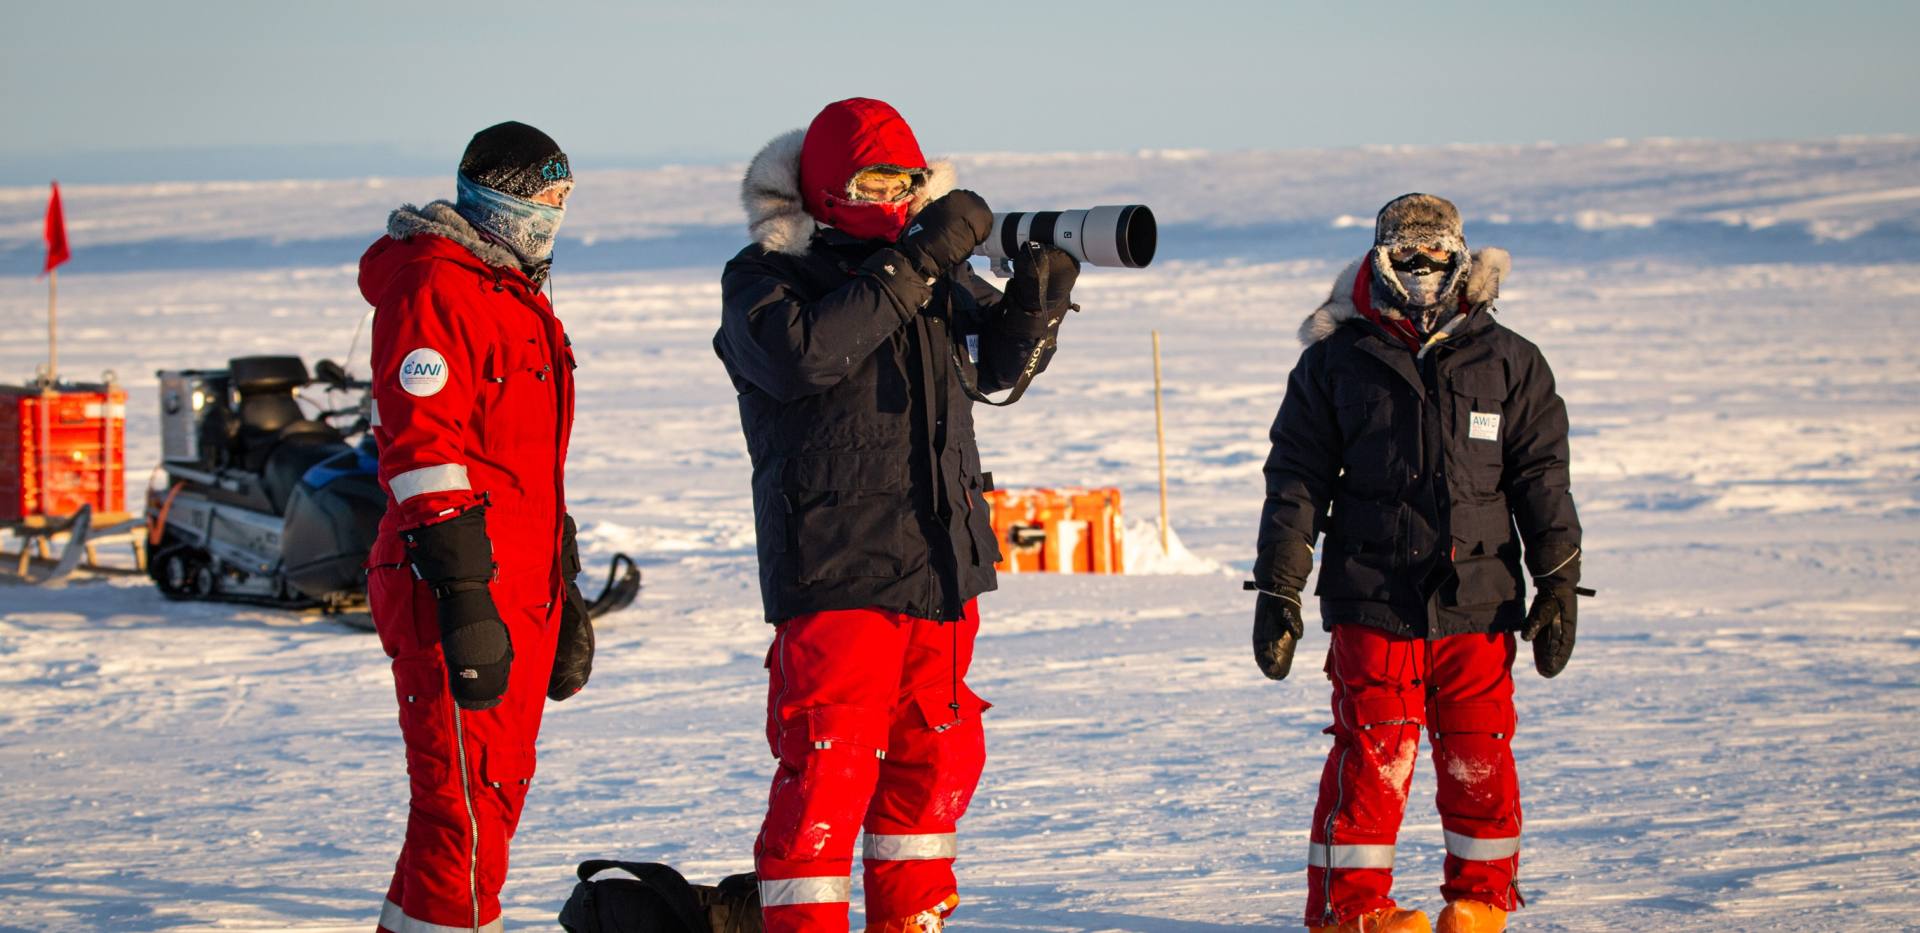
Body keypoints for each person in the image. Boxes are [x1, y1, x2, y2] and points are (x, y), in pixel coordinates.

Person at [715, 97, 1080, 933]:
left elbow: (995, 375)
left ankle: (913, 922)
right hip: (836, 564)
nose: (890, 193)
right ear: (823, 186)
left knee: (934, 764)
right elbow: (805, 356)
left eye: (904, 180)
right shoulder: (770, 276)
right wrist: (919, 257)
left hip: (942, 564)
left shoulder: (933, 270)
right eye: (871, 178)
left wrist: (1035, 304)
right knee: (830, 771)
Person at [1252, 194, 1584, 933]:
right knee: (1375, 755)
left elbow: (1542, 480)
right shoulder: (1335, 362)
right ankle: (1352, 911)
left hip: (1481, 595)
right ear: (1380, 259)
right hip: (1373, 596)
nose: (1424, 269)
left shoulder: (1512, 361)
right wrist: (1279, 587)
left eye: (1438, 255)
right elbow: (1296, 481)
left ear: (1461, 257)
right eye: (1408, 255)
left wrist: (1559, 580)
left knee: (1481, 756)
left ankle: (1481, 903)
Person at [358, 120, 597, 933]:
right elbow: (425, 451)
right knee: (462, 813)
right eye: (544, 199)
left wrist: (562, 589)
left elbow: (529, 467)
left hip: (521, 588)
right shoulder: (435, 285)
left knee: (480, 805)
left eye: (565, 200)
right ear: (494, 197)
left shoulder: (518, 297)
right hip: (453, 587)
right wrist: (464, 594)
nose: (555, 217)